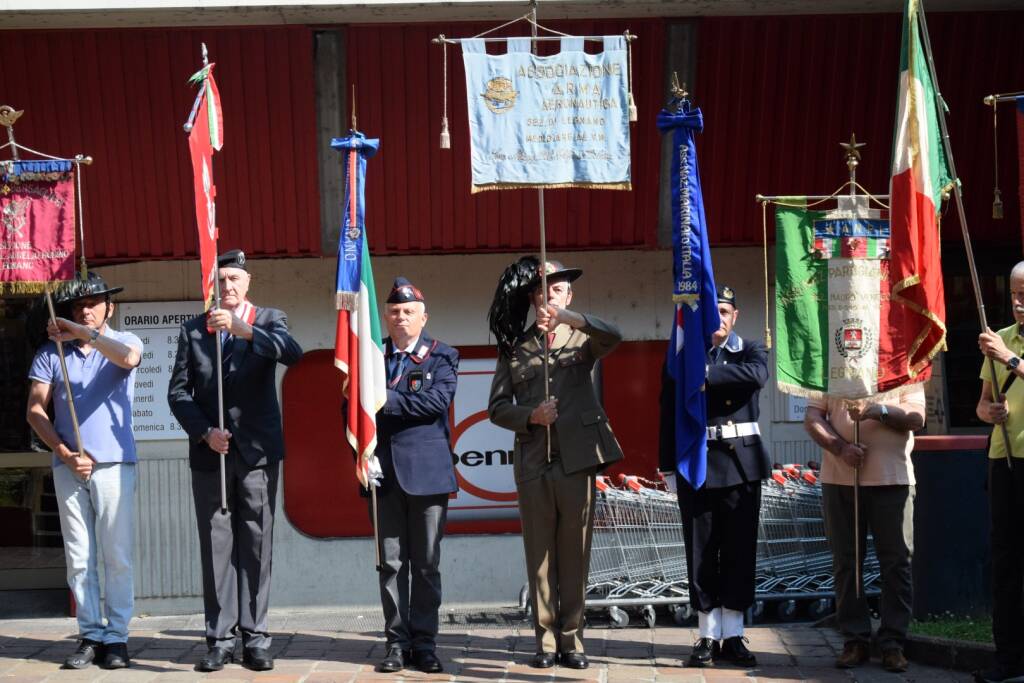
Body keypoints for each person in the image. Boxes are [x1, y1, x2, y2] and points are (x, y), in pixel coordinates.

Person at [168, 249, 302, 672]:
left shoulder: (268, 319)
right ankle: (220, 638)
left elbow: (291, 353)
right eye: (221, 280)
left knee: (257, 544)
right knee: (217, 546)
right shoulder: (193, 331)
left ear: (248, 282)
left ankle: (255, 637)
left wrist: (245, 330)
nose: (227, 286)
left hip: (257, 454)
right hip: (213, 454)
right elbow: (178, 392)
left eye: (234, 279)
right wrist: (205, 432)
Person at [488, 258, 624, 670]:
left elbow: (614, 337)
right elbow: (496, 408)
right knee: (540, 555)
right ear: (532, 297)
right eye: (544, 289)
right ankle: (545, 641)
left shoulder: (582, 338)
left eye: (559, 289)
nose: (551, 294)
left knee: (575, 552)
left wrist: (570, 318)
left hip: (578, 458)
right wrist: (530, 416)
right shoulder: (516, 346)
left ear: (569, 296)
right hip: (534, 459)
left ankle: (573, 641)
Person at [26, 272, 142, 670]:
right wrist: (63, 450)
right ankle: (91, 633)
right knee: (80, 556)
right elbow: (36, 410)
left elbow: (127, 360)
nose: (86, 309)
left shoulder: (125, 341)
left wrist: (80, 330)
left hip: (113, 463)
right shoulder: (50, 353)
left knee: (117, 555)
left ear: (110, 307)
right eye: (78, 306)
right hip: (69, 466)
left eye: (93, 303)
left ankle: (118, 637)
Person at [659, 285, 769, 668]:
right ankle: (707, 634)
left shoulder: (752, 349)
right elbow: (668, 411)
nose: (719, 318)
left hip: (741, 465)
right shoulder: (681, 356)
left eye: (725, 311)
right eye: (712, 311)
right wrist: (668, 465)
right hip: (698, 463)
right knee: (701, 552)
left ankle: (734, 634)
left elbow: (756, 375)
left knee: (739, 550)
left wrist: (704, 375)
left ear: (735, 315)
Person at [369, 277, 459, 674]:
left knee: (425, 565)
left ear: (423, 317)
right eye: (394, 312)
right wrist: (360, 453)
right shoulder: (370, 359)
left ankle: (424, 643)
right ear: (385, 318)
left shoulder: (443, 357)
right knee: (390, 564)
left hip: (427, 475)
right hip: (382, 473)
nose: (400, 317)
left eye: (408, 312)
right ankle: (395, 642)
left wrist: (386, 398)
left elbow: (435, 402)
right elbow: (349, 410)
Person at [804, 383, 924, 673]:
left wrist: (878, 411)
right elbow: (812, 417)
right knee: (846, 561)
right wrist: (840, 447)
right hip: (840, 479)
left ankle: (893, 643)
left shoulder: (899, 364)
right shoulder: (831, 364)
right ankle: (854, 640)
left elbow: (916, 418)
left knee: (897, 562)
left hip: (893, 478)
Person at [976, 261, 1024, 683]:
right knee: (1005, 561)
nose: (1019, 302)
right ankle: (1008, 658)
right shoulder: (999, 339)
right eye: (1014, 294)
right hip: (1003, 457)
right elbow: (982, 402)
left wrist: (1010, 358)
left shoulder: (1004, 348)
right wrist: (988, 411)